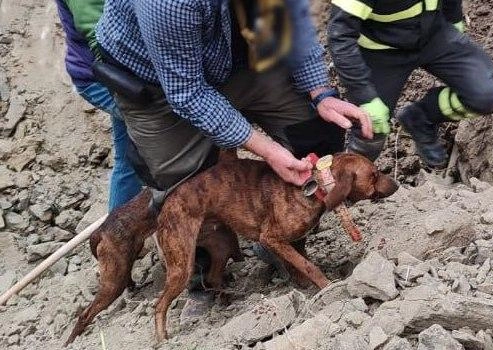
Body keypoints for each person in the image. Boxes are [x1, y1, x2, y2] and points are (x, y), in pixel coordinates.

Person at [95, 0, 372, 319]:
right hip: (158, 84)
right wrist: (266, 149)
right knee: (184, 187)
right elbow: (188, 94)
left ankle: (282, 241)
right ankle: (204, 279)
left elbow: (289, 24)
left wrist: (320, 93)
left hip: (239, 58)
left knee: (314, 129)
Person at [327, 0, 493, 168]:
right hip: (380, 50)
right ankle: (347, 187)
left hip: (434, 35)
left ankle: (420, 118)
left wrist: (454, 20)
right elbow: (340, 36)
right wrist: (364, 96)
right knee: (370, 128)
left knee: (486, 96)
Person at [53, 0, 142, 211]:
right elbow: (100, 37)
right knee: (167, 132)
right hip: (105, 78)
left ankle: (118, 234)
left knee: (129, 156)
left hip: (119, 77)